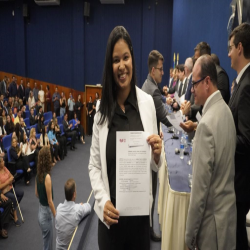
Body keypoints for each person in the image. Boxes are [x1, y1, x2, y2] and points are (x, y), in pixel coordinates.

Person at [88, 26, 162, 250]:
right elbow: (94, 166)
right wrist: (102, 201)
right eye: (115, 60)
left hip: (140, 224)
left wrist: (157, 155)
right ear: (110, 66)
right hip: (111, 224)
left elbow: (154, 164)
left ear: (132, 58)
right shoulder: (101, 111)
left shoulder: (147, 104)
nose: (121, 66)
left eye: (126, 58)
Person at [185, 55, 236, 250]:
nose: (192, 89)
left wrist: (189, 236)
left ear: (207, 82)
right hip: (227, 222)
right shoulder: (226, 111)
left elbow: (199, 192)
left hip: (211, 231)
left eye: (195, 83)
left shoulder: (205, 124)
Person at [141, 49, 172, 241]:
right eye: (161, 69)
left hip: (149, 139)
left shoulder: (149, 85)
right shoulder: (152, 89)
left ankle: (148, 228)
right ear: (153, 70)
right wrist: (181, 123)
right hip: (149, 149)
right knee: (151, 189)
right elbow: (165, 118)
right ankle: (148, 230)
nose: (163, 73)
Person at [228, 22, 250, 250]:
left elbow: (246, 139)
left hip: (242, 182)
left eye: (231, 47)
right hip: (239, 178)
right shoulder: (241, 83)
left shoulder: (246, 86)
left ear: (240, 48)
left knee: (237, 236)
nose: (228, 53)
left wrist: (222, 139)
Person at [55, 179, 91, 250]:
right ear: (74, 194)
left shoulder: (58, 208)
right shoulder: (78, 210)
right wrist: (80, 205)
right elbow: (89, 207)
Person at [35, 147, 56, 250]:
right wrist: (56, 216)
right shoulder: (47, 177)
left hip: (40, 212)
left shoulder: (38, 174)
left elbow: (36, 194)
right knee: (48, 246)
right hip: (46, 214)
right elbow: (50, 202)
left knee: (46, 242)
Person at [0, 157, 24, 227]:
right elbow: (0, 187)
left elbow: (12, 176)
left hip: (10, 188)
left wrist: (10, 180)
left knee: (21, 193)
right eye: (2, 161)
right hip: (4, 192)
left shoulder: (5, 168)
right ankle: (15, 218)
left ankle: (12, 207)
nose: (3, 162)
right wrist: (8, 182)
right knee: (13, 198)